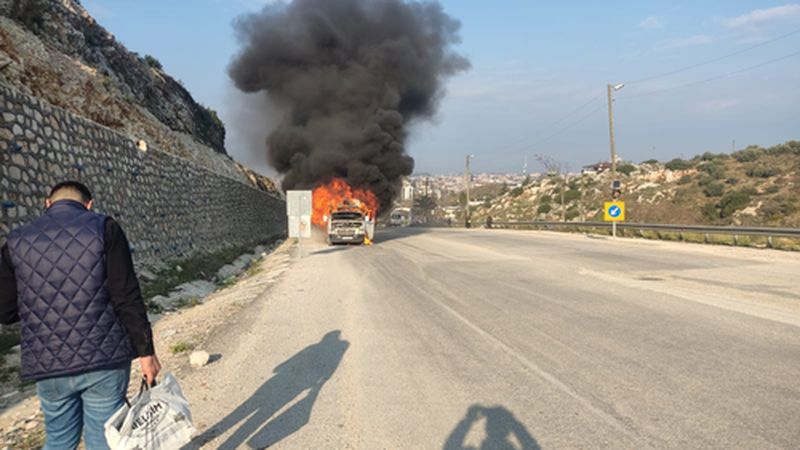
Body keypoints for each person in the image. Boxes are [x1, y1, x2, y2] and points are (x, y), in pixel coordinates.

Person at [0, 181, 160, 450]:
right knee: (102, 440)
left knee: (59, 441)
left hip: (48, 362)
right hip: (105, 358)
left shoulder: (16, 240)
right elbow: (126, 296)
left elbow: (4, 311)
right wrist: (146, 352)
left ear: (47, 203)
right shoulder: (104, 228)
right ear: (89, 204)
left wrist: (37, 309)